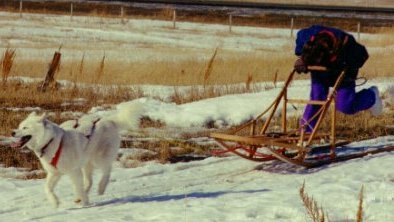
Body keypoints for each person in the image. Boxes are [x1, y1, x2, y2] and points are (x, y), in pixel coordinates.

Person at [293, 25, 382, 133]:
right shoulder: (307, 35)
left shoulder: (346, 44)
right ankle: (306, 133)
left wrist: (344, 65)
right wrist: (302, 59)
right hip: (320, 71)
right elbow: (299, 37)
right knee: (316, 99)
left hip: (343, 73)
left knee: (345, 106)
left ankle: (371, 96)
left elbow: (362, 55)